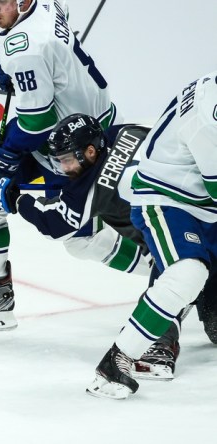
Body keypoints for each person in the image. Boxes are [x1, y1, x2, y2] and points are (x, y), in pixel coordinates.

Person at [0, 113, 194, 380]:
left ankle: (161, 343)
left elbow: (55, 224)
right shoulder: (127, 130)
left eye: (67, 160)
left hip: (184, 224)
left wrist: (14, 200)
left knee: (174, 274)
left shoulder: (93, 185)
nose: (64, 169)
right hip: (197, 197)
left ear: (89, 151)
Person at [0, 0, 122, 331]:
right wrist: (16, 68)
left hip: (79, 147)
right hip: (71, 131)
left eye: (2, 1)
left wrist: (5, 152)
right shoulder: (45, 6)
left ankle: (174, 274)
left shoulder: (26, 47)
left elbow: (37, 120)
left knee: (81, 238)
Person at [85, 71, 217, 399]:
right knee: (187, 273)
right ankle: (118, 359)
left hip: (202, 199)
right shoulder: (209, 118)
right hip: (169, 199)